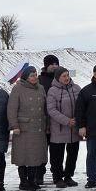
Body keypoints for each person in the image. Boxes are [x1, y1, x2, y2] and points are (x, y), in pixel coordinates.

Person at [8, 66, 49, 191]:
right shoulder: (18, 88)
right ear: (26, 77)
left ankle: (32, 181)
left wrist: (47, 125)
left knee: (35, 156)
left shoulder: (41, 88)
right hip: (23, 128)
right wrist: (14, 125)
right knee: (23, 156)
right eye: (32, 75)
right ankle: (23, 182)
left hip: (38, 127)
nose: (35, 77)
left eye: (36, 75)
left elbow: (45, 108)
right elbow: (12, 109)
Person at [45, 66, 82, 188]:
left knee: (73, 154)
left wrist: (78, 119)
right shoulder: (52, 91)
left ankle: (68, 176)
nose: (66, 78)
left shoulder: (76, 88)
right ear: (58, 78)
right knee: (57, 155)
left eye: (67, 75)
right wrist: (66, 121)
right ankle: (58, 177)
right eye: (63, 76)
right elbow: (51, 110)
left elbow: (82, 106)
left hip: (74, 129)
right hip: (59, 128)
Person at [36, 54, 60, 184]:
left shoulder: (61, 79)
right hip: (42, 120)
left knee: (57, 151)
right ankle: (39, 175)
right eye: (52, 64)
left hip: (57, 121)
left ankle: (57, 175)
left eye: (56, 64)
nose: (54, 66)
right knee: (41, 150)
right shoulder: (39, 80)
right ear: (46, 65)